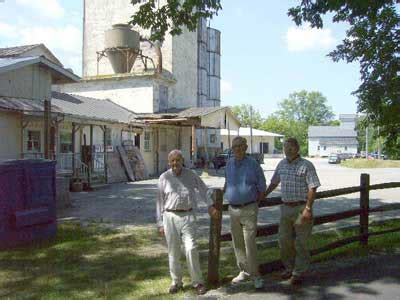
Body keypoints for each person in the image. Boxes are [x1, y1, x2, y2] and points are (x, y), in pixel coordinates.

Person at [157, 149, 218, 295]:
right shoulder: (164, 178)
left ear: (182, 160)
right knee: (173, 251)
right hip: (170, 216)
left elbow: (203, 190)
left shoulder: (191, 175)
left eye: (177, 160)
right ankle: (176, 282)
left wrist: (210, 205)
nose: (175, 163)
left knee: (191, 248)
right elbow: (159, 201)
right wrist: (159, 223)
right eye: (172, 161)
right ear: (169, 162)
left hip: (188, 216)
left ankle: (197, 282)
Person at [265, 137, 320, 285]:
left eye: (290, 147)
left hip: (301, 209)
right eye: (285, 147)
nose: (287, 150)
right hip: (285, 209)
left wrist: (308, 208)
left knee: (301, 243)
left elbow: (313, 187)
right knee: (284, 241)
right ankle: (289, 268)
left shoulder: (306, 165)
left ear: (297, 148)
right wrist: (263, 195)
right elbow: (274, 182)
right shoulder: (281, 164)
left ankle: (298, 272)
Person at [223, 136, 266, 289]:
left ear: (246, 148)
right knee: (238, 243)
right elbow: (227, 183)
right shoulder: (228, 164)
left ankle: (255, 275)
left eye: (241, 146)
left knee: (250, 243)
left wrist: (254, 204)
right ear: (232, 149)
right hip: (233, 209)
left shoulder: (253, 164)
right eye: (235, 147)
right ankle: (244, 271)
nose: (238, 149)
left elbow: (262, 187)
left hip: (249, 208)